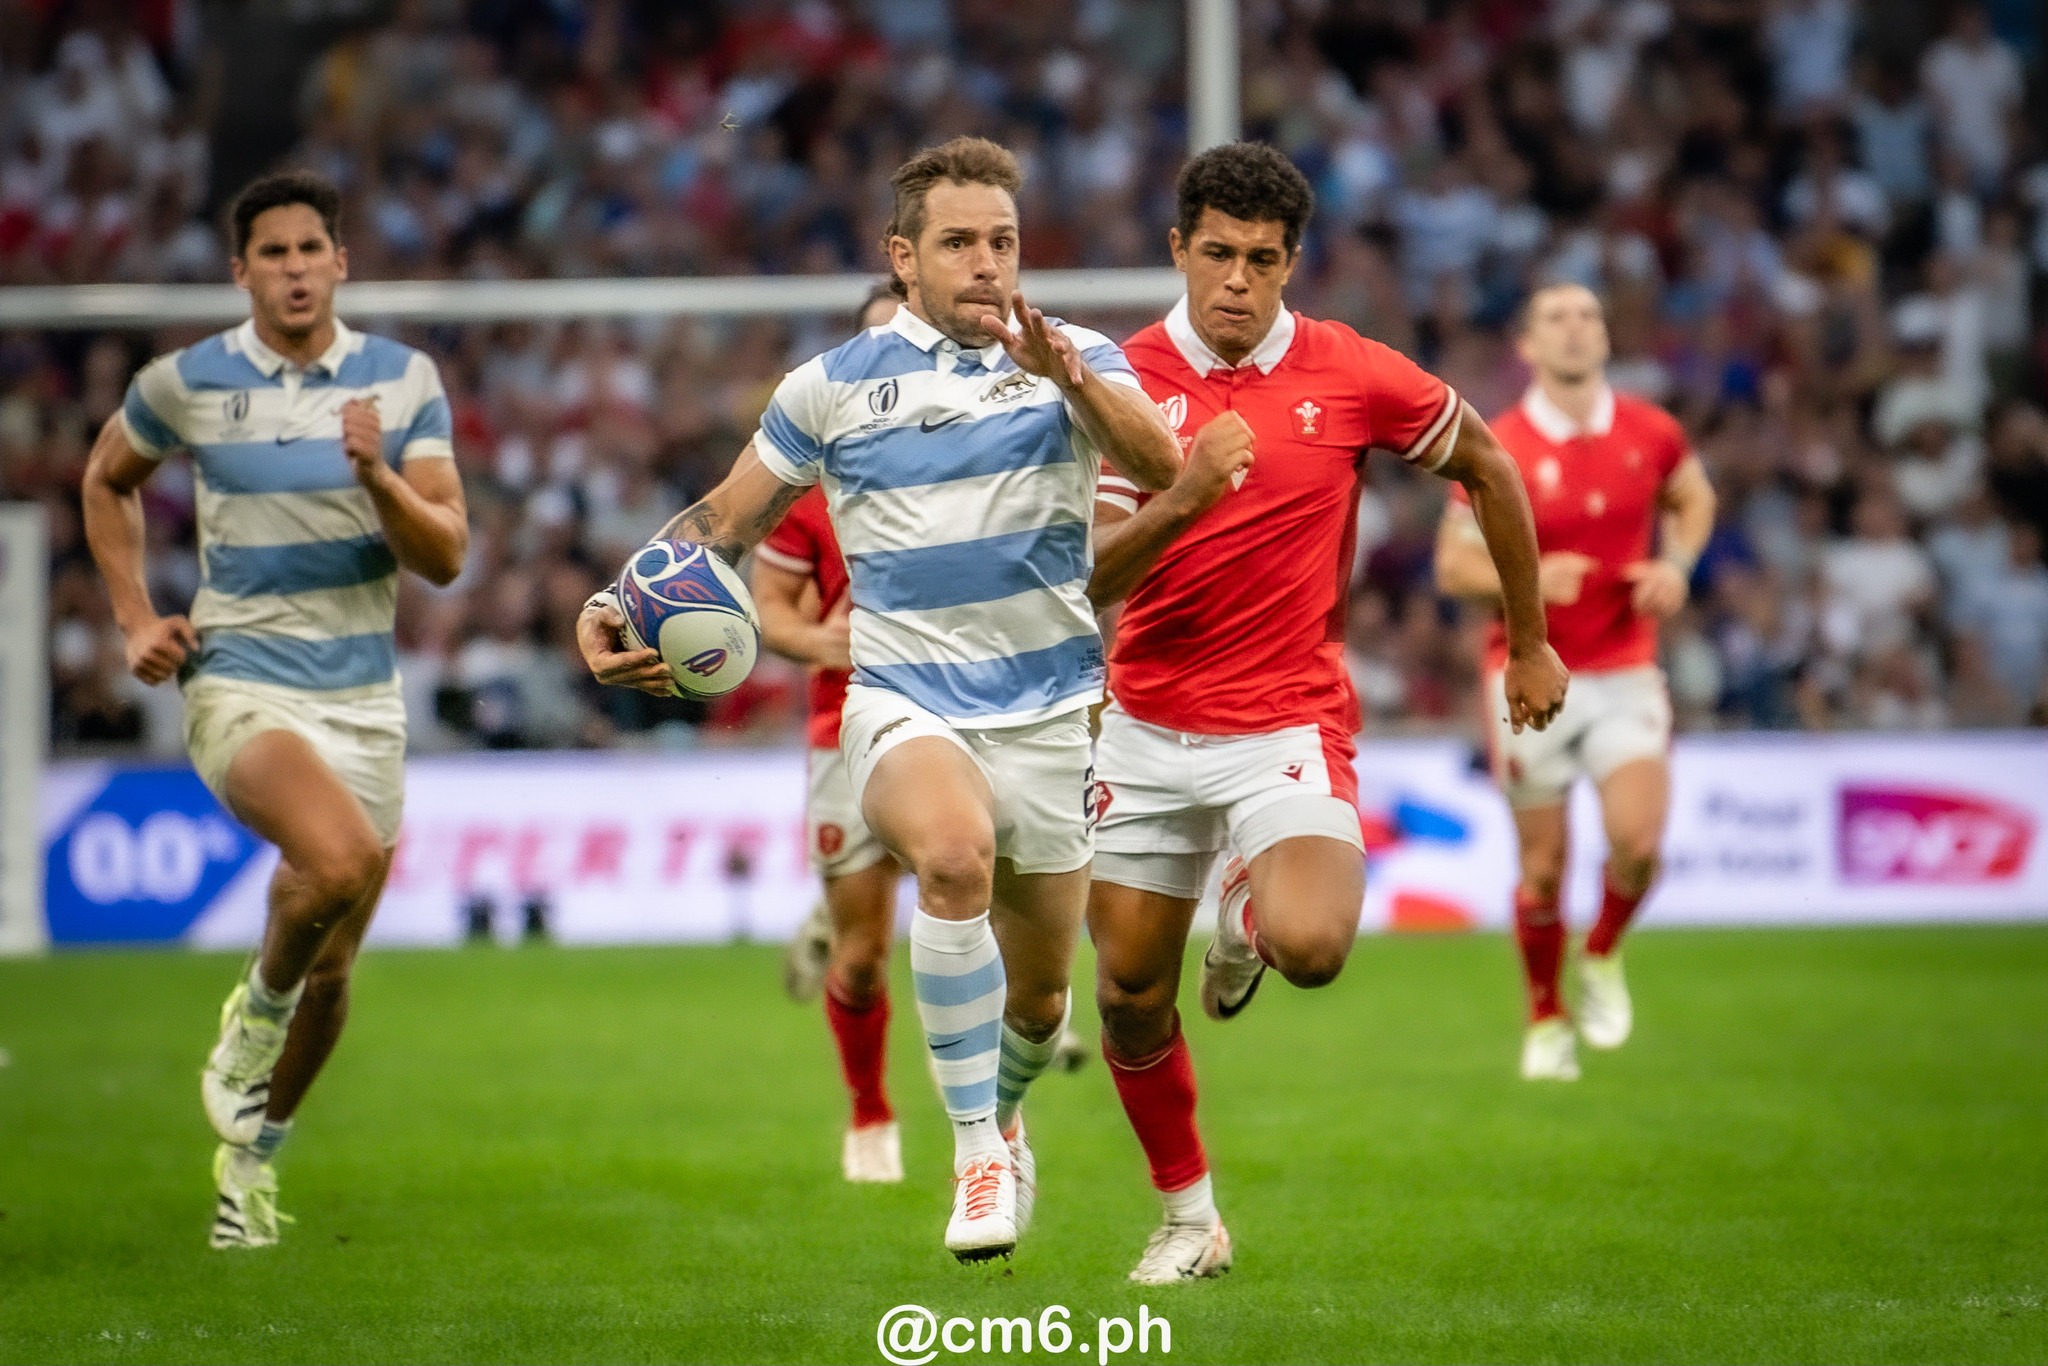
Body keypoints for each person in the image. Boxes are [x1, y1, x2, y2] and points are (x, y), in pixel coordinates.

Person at [579, 137, 1181, 1261]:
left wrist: (1073, 381)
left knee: (1044, 1003)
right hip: (903, 698)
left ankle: (999, 1112)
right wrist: (611, 597)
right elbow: (721, 520)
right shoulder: (831, 386)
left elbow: (1161, 469)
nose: (985, 264)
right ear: (901, 257)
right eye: (957, 243)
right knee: (949, 859)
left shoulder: (1079, 356)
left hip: (1052, 713)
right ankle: (973, 1151)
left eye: (1001, 242)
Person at [1084, 142, 1567, 1284]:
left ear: (1292, 261)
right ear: (1177, 250)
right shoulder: (1124, 378)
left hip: (1284, 722)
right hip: (1145, 724)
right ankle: (1189, 1219)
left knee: (1311, 948)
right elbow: (1089, 579)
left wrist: (1530, 638)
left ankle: (1246, 912)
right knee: (1126, 996)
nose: (1237, 281)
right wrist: (1188, 489)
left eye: (1261, 259)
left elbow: (1490, 466)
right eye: (1216, 255)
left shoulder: (1348, 371)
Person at [79, 170, 467, 1247]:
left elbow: (445, 554)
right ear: (239, 270)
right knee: (336, 862)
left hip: (364, 700)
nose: (294, 268)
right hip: (239, 677)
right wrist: (131, 616)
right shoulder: (187, 381)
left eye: (312, 250)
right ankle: (252, 1015)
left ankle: (250, 1157)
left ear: (341, 262)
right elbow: (105, 479)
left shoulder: (401, 381)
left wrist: (379, 477)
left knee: (335, 969)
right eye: (274, 253)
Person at [1435, 282, 1715, 1082]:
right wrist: (1524, 580)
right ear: (1525, 345)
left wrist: (1677, 564)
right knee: (1545, 869)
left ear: (1605, 336)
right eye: (1556, 318)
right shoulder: (1500, 443)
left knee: (1638, 845)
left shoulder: (1650, 430)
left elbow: (1695, 497)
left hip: (1626, 667)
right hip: (1528, 675)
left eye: (1590, 315)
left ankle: (1601, 955)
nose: (1576, 329)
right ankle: (1546, 1014)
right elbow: (1453, 566)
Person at [755, 286, 910, 1183]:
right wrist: (823, 639)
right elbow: (768, 615)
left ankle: (990, 1126)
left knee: (979, 904)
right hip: (843, 726)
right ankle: (870, 1112)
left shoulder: (981, 464)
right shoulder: (811, 490)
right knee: (862, 958)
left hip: (962, 715)